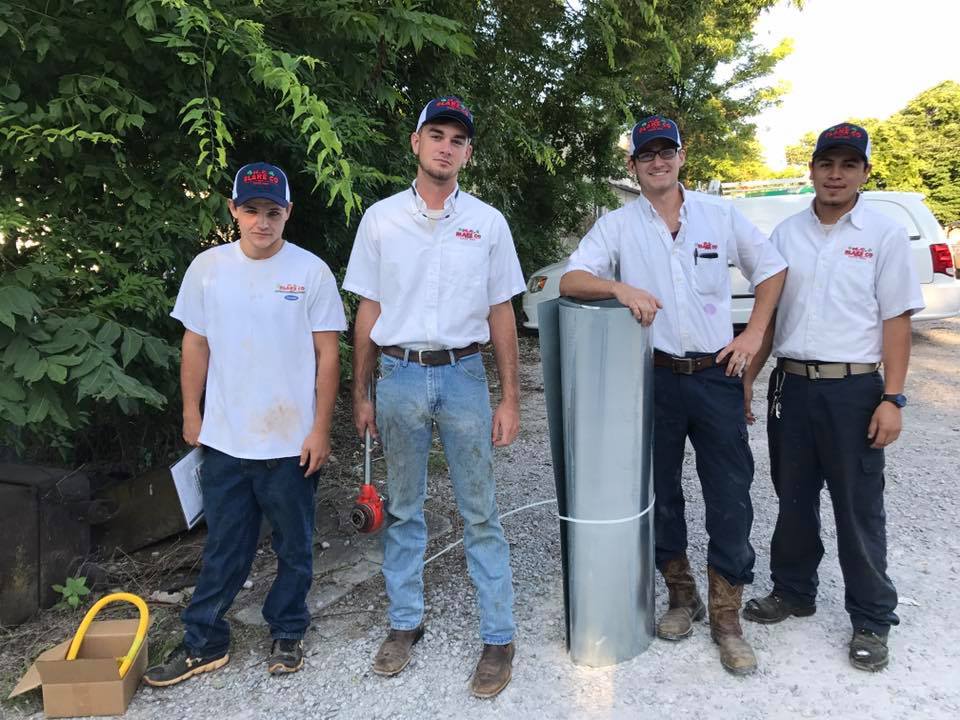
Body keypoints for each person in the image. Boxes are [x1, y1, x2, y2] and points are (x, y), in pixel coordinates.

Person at [559, 115, 787, 675]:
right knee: (660, 491)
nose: (658, 162)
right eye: (647, 154)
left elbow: (772, 270)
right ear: (633, 165)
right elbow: (571, 279)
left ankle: (727, 615)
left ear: (682, 157)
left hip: (716, 373)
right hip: (653, 378)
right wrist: (618, 286)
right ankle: (682, 596)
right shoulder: (617, 225)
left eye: (667, 151)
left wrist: (754, 334)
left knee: (730, 493)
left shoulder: (718, 215)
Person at [343, 96, 524, 698]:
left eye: (458, 139)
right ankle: (404, 624)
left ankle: (498, 636)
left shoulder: (488, 223)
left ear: (468, 153)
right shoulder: (381, 220)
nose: (447, 147)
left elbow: (502, 311)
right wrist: (361, 392)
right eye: (437, 135)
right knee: (403, 508)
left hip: (464, 375)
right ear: (416, 142)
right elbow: (368, 308)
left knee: (480, 509)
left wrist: (510, 398)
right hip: (398, 376)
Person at [145, 162, 347, 686]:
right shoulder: (207, 268)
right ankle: (204, 641)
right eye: (251, 210)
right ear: (233, 209)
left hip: (291, 443)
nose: (262, 222)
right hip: (226, 440)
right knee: (224, 547)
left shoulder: (311, 272)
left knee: (294, 546)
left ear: (288, 213)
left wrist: (320, 429)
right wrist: (191, 411)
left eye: (273, 212)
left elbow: (328, 355)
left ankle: (287, 630)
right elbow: (196, 344)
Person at [742, 123, 924, 672]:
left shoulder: (884, 235)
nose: (836, 175)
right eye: (827, 164)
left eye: (848, 165)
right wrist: (748, 380)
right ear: (813, 170)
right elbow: (769, 316)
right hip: (792, 387)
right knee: (793, 498)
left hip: (854, 390)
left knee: (857, 505)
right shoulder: (786, 235)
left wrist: (893, 397)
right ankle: (794, 591)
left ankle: (871, 617)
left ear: (865, 172)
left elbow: (896, 320)